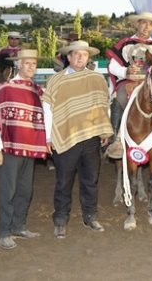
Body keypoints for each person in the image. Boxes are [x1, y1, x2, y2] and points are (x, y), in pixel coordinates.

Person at [42, 40, 114, 238]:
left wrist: (104, 130)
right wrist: (48, 136)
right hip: (65, 137)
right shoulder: (56, 80)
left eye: (84, 54)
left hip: (91, 137)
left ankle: (90, 216)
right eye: (76, 54)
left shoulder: (97, 79)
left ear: (88, 57)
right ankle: (60, 220)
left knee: (90, 180)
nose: (80, 58)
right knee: (63, 181)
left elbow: (103, 105)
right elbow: (47, 109)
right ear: (69, 57)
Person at [0, 49, 48, 250]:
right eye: (27, 63)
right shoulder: (5, 88)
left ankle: (18, 226)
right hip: (9, 148)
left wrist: (47, 140)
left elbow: (46, 116)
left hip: (30, 147)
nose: (31, 67)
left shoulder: (37, 91)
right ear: (18, 65)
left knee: (25, 191)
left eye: (34, 64)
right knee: (7, 192)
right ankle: (3, 232)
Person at [105, 12, 152, 157]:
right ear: (137, 24)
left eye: (150, 24)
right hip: (129, 80)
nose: (147, 27)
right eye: (143, 23)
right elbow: (113, 66)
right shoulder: (125, 43)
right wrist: (126, 72)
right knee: (120, 97)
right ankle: (116, 139)